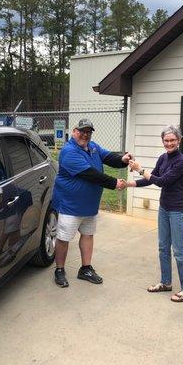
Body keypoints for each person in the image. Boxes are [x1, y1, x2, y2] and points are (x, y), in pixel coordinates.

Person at [52, 118, 131, 288]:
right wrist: (114, 183)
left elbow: (109, 157)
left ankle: (85, 269)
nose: (85, 135)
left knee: (88, 235)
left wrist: (122, 159)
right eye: (82, 131)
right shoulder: (69, 152)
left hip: (89, 205)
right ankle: (59, 270)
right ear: (74, 131)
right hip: (70, 205)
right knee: (64, 238)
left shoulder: (93, 147)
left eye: (88, 132)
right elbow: (91, 174)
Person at [126, 125, 183, 302]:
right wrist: (129, 184)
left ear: (179, 141)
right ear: (163, 141)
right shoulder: (163, 158)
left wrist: (141, 169)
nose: (169, 143)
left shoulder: (182, 161)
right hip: (165, 208)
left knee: (179, 250)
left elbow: (162, 182)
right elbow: (152, 178)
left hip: (179, 209)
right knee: (163, 247)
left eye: (172, 140)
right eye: (166, 140)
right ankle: (166, 283)